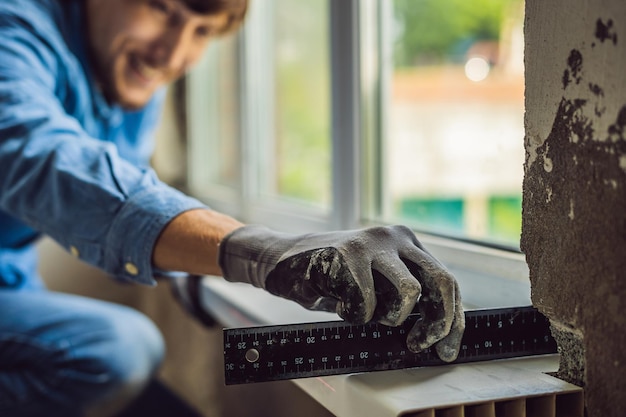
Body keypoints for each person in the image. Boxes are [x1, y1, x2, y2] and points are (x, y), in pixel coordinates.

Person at [0, 0, 465, 416]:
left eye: (202, 31)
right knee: (119, 349)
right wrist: (264, 251)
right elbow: (42, 160)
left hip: (17, 290)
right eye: (161, 8)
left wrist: (190, 271)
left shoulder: (129, 73)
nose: (171, 54)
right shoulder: (12, 28)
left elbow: (110, 202)